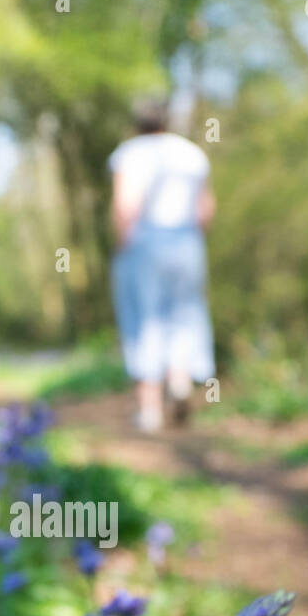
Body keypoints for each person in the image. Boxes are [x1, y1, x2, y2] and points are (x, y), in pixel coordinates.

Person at [108, 99, 216, 432]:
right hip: (187, 241)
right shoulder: (191, 154)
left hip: (145, 241)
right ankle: (180, 380)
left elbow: (125, 204)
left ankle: (150, 409)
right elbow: (206, 209)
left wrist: (123, 242)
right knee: (184, 313)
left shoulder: (130, 153)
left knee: (144, 317)